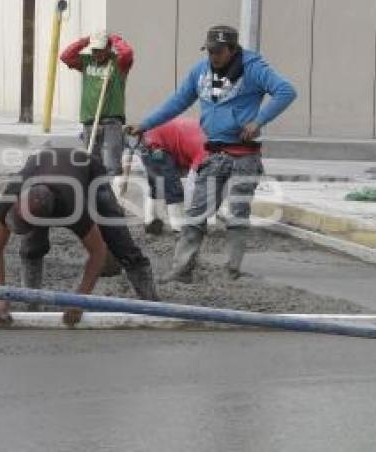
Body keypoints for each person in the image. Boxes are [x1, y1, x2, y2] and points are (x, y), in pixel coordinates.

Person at [128, 25, 297, 281]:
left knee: (238, 214)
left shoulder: (253, 69)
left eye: (218, 52)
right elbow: (178, 101)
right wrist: (146, 124)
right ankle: (182, 268)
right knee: (196, 213)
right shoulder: (201, 71)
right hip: (214, 153)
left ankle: (231, 270)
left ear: (232, 49)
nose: (213, 56)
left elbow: (286, 91)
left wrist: (258, 121)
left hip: (244, 156)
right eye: (209, 51)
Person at [0, 148, 159, 326]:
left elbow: (97, 251)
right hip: (42, 165)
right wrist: (0, 297)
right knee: (32, 248)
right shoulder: (10, 195)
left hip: (89, 171)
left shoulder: (73, 207)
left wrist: (80, 299)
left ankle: (153, 305)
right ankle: (32, 304)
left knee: (119, 241)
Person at [60, 31, 133, 175]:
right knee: (91, 163)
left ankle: (111, 192)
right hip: (90, 119)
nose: (97, 53)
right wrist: (86, 41)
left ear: (108, 48)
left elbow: (127, 52)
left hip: (111, 121)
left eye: (100, 50)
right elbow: (65, 56)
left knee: (111, 164)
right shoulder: (87, 61)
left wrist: (114, 38)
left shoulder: (118, 63)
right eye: (94, 50)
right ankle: (94, 193)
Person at [139, 117, 207, 235]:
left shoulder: (211, 137)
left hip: (153, 139)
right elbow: (192, 188)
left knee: (158, 185)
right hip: (156, 146)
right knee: (172, 186)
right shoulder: (206, 152)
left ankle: (151, 220)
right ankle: (179, 227)